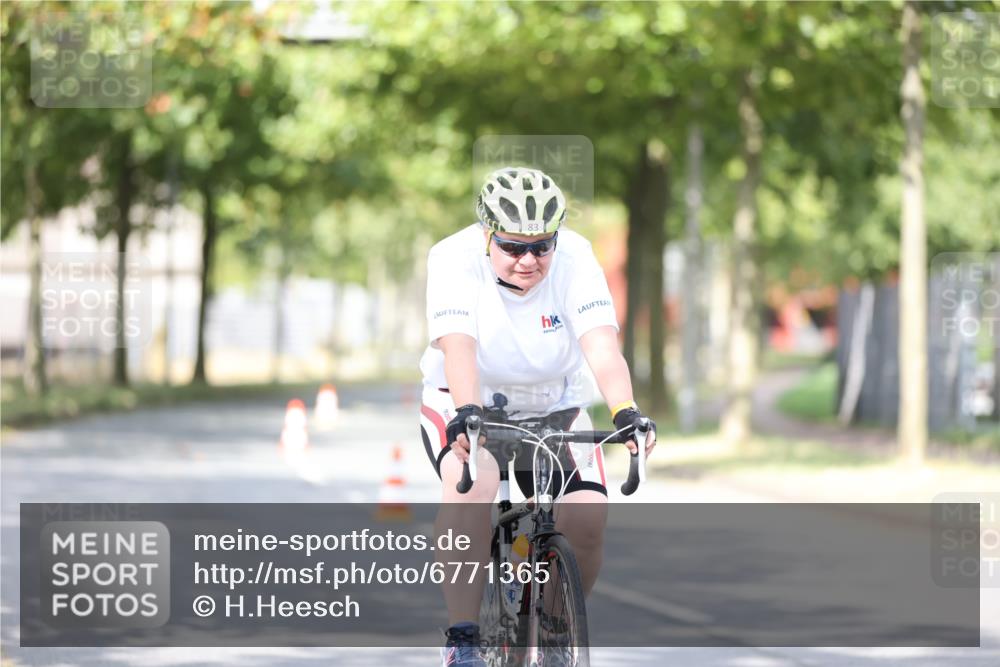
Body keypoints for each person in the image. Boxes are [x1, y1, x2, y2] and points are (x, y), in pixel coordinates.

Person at [418, 166, 656, 667]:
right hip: (467, 399)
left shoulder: (576, 256)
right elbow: (458, 347)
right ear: (487, 235)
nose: (528, 259)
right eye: (511, 246)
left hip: (556, 405)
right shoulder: (452, 258)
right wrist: (467, 412)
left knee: (588, 515)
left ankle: (555, 626)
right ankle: (462, 641)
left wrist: (625, 410)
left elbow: (602, 345)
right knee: (474, 482)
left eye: (541, 246)